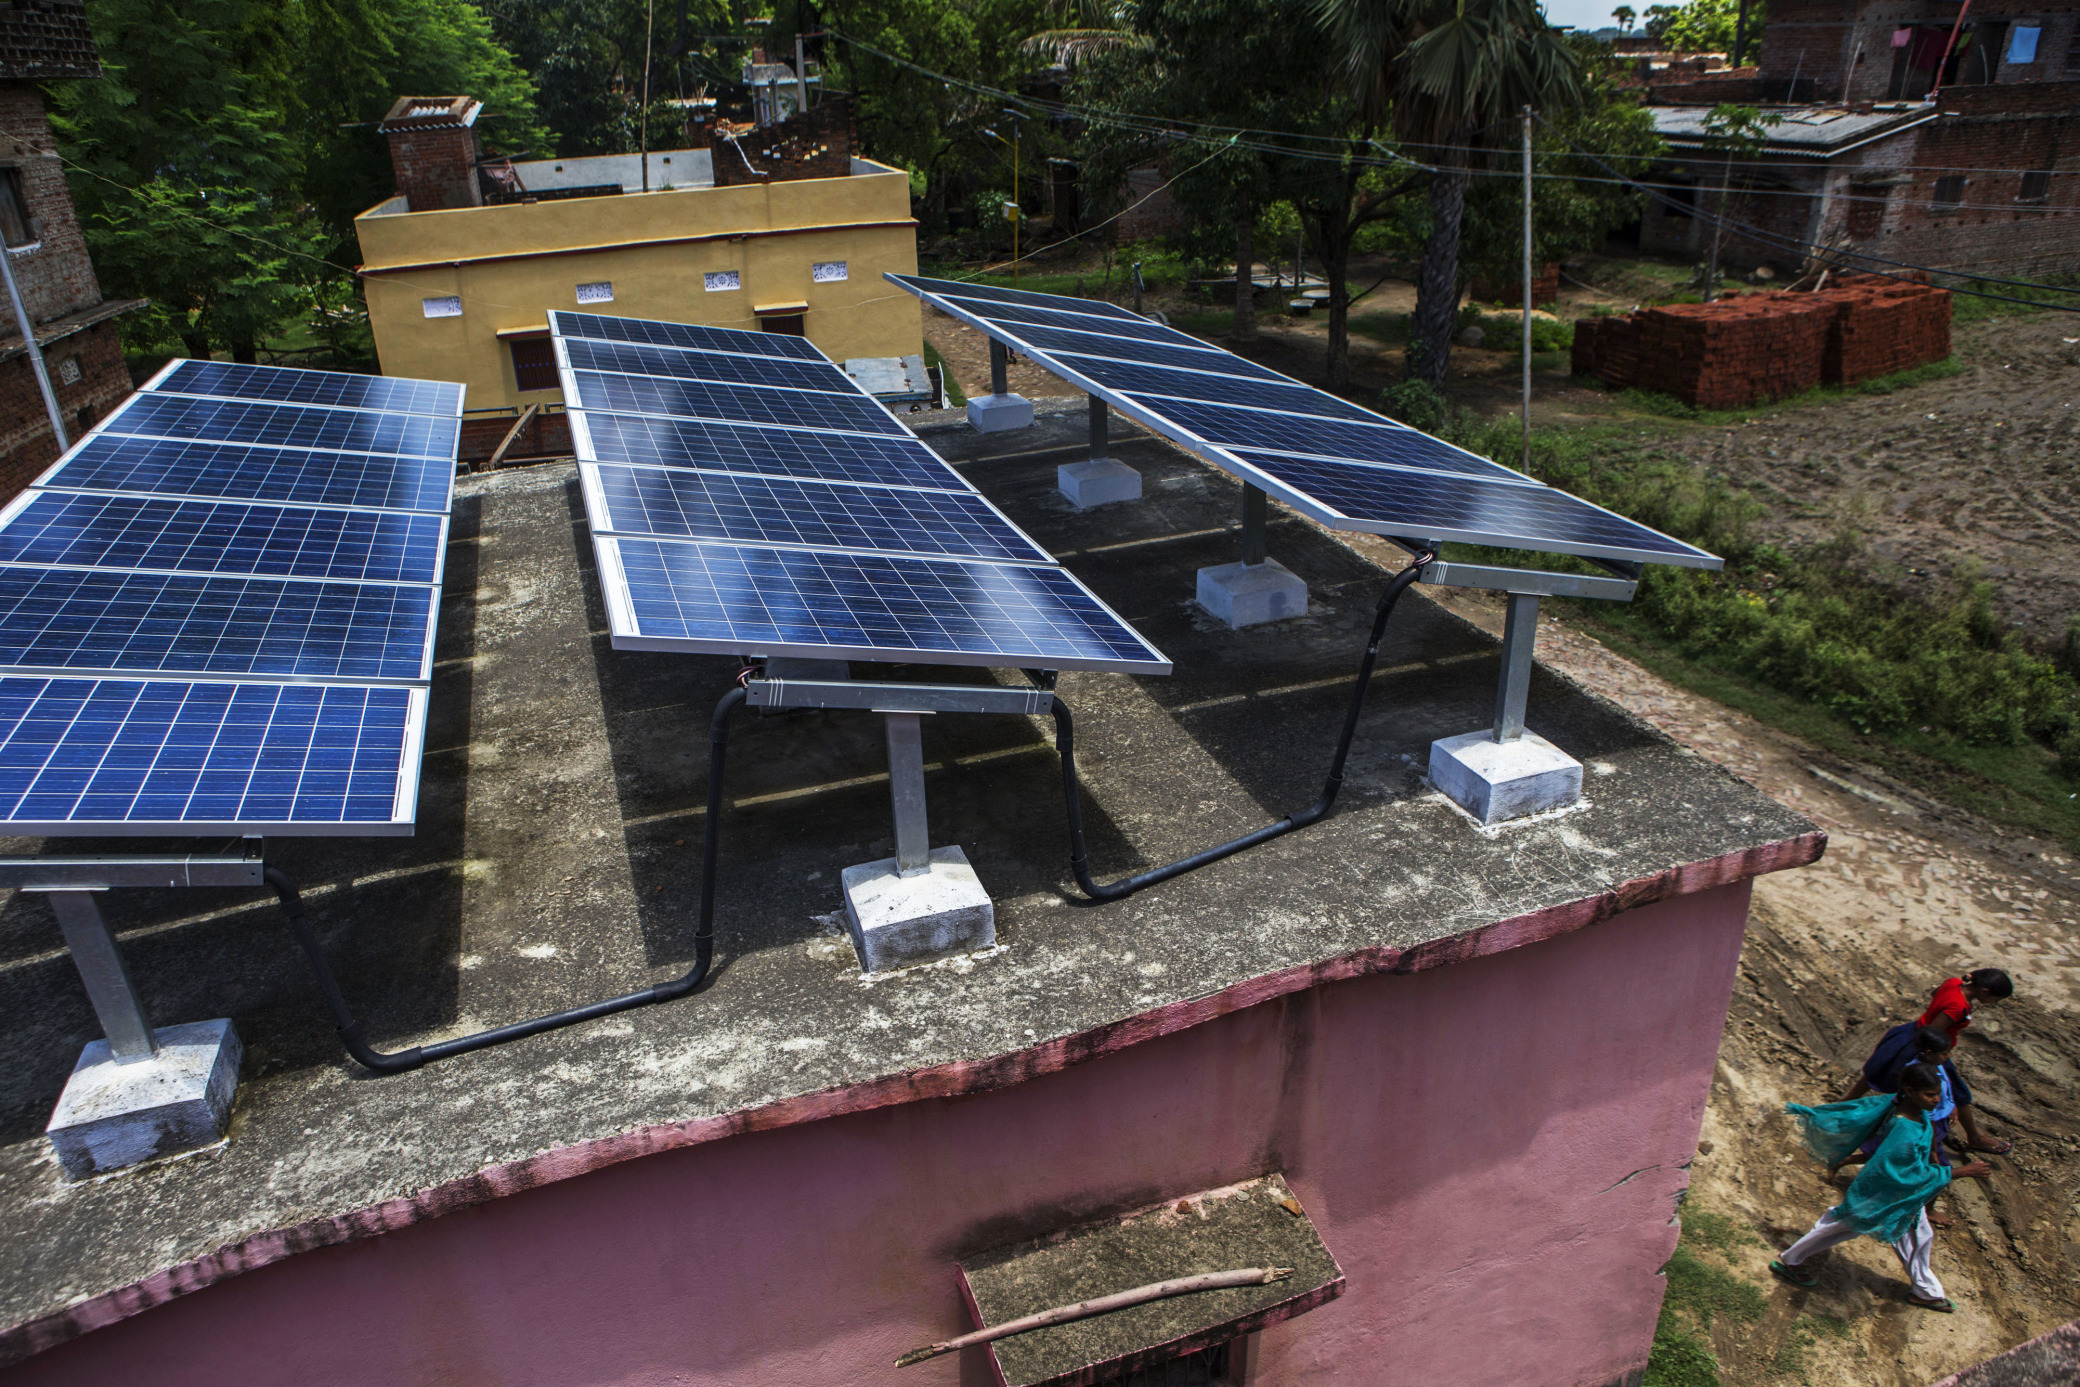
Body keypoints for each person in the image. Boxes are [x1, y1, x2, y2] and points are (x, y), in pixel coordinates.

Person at [1771, 1063, 1993, 1312]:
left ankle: (1926, 1291)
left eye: (1938, 1093)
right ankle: (1791, 1259)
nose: (1936, 1100)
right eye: (1930, 1094)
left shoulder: (1910, 1109)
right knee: (1843, 1225)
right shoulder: (1904, 1130)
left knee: (1918, 1235)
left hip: (1902, 1195)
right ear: (1910, 1091)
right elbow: (1907, 1172)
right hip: (1885, 1192)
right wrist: (1959, 1172)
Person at [1841, 969, 2013, 1156]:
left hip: (1908, 1034)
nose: (1995, 1003)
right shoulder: (1958, 1007)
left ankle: (1845, 1102)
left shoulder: (1953, 983)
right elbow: (1932, 1033)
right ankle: (1973, 1137)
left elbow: (1934, 995)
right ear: (1984, 991)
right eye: (1996, 999)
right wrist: (1932, 1061)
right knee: (1957, 1093)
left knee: (1879, 1070)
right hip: (1926, 1048)